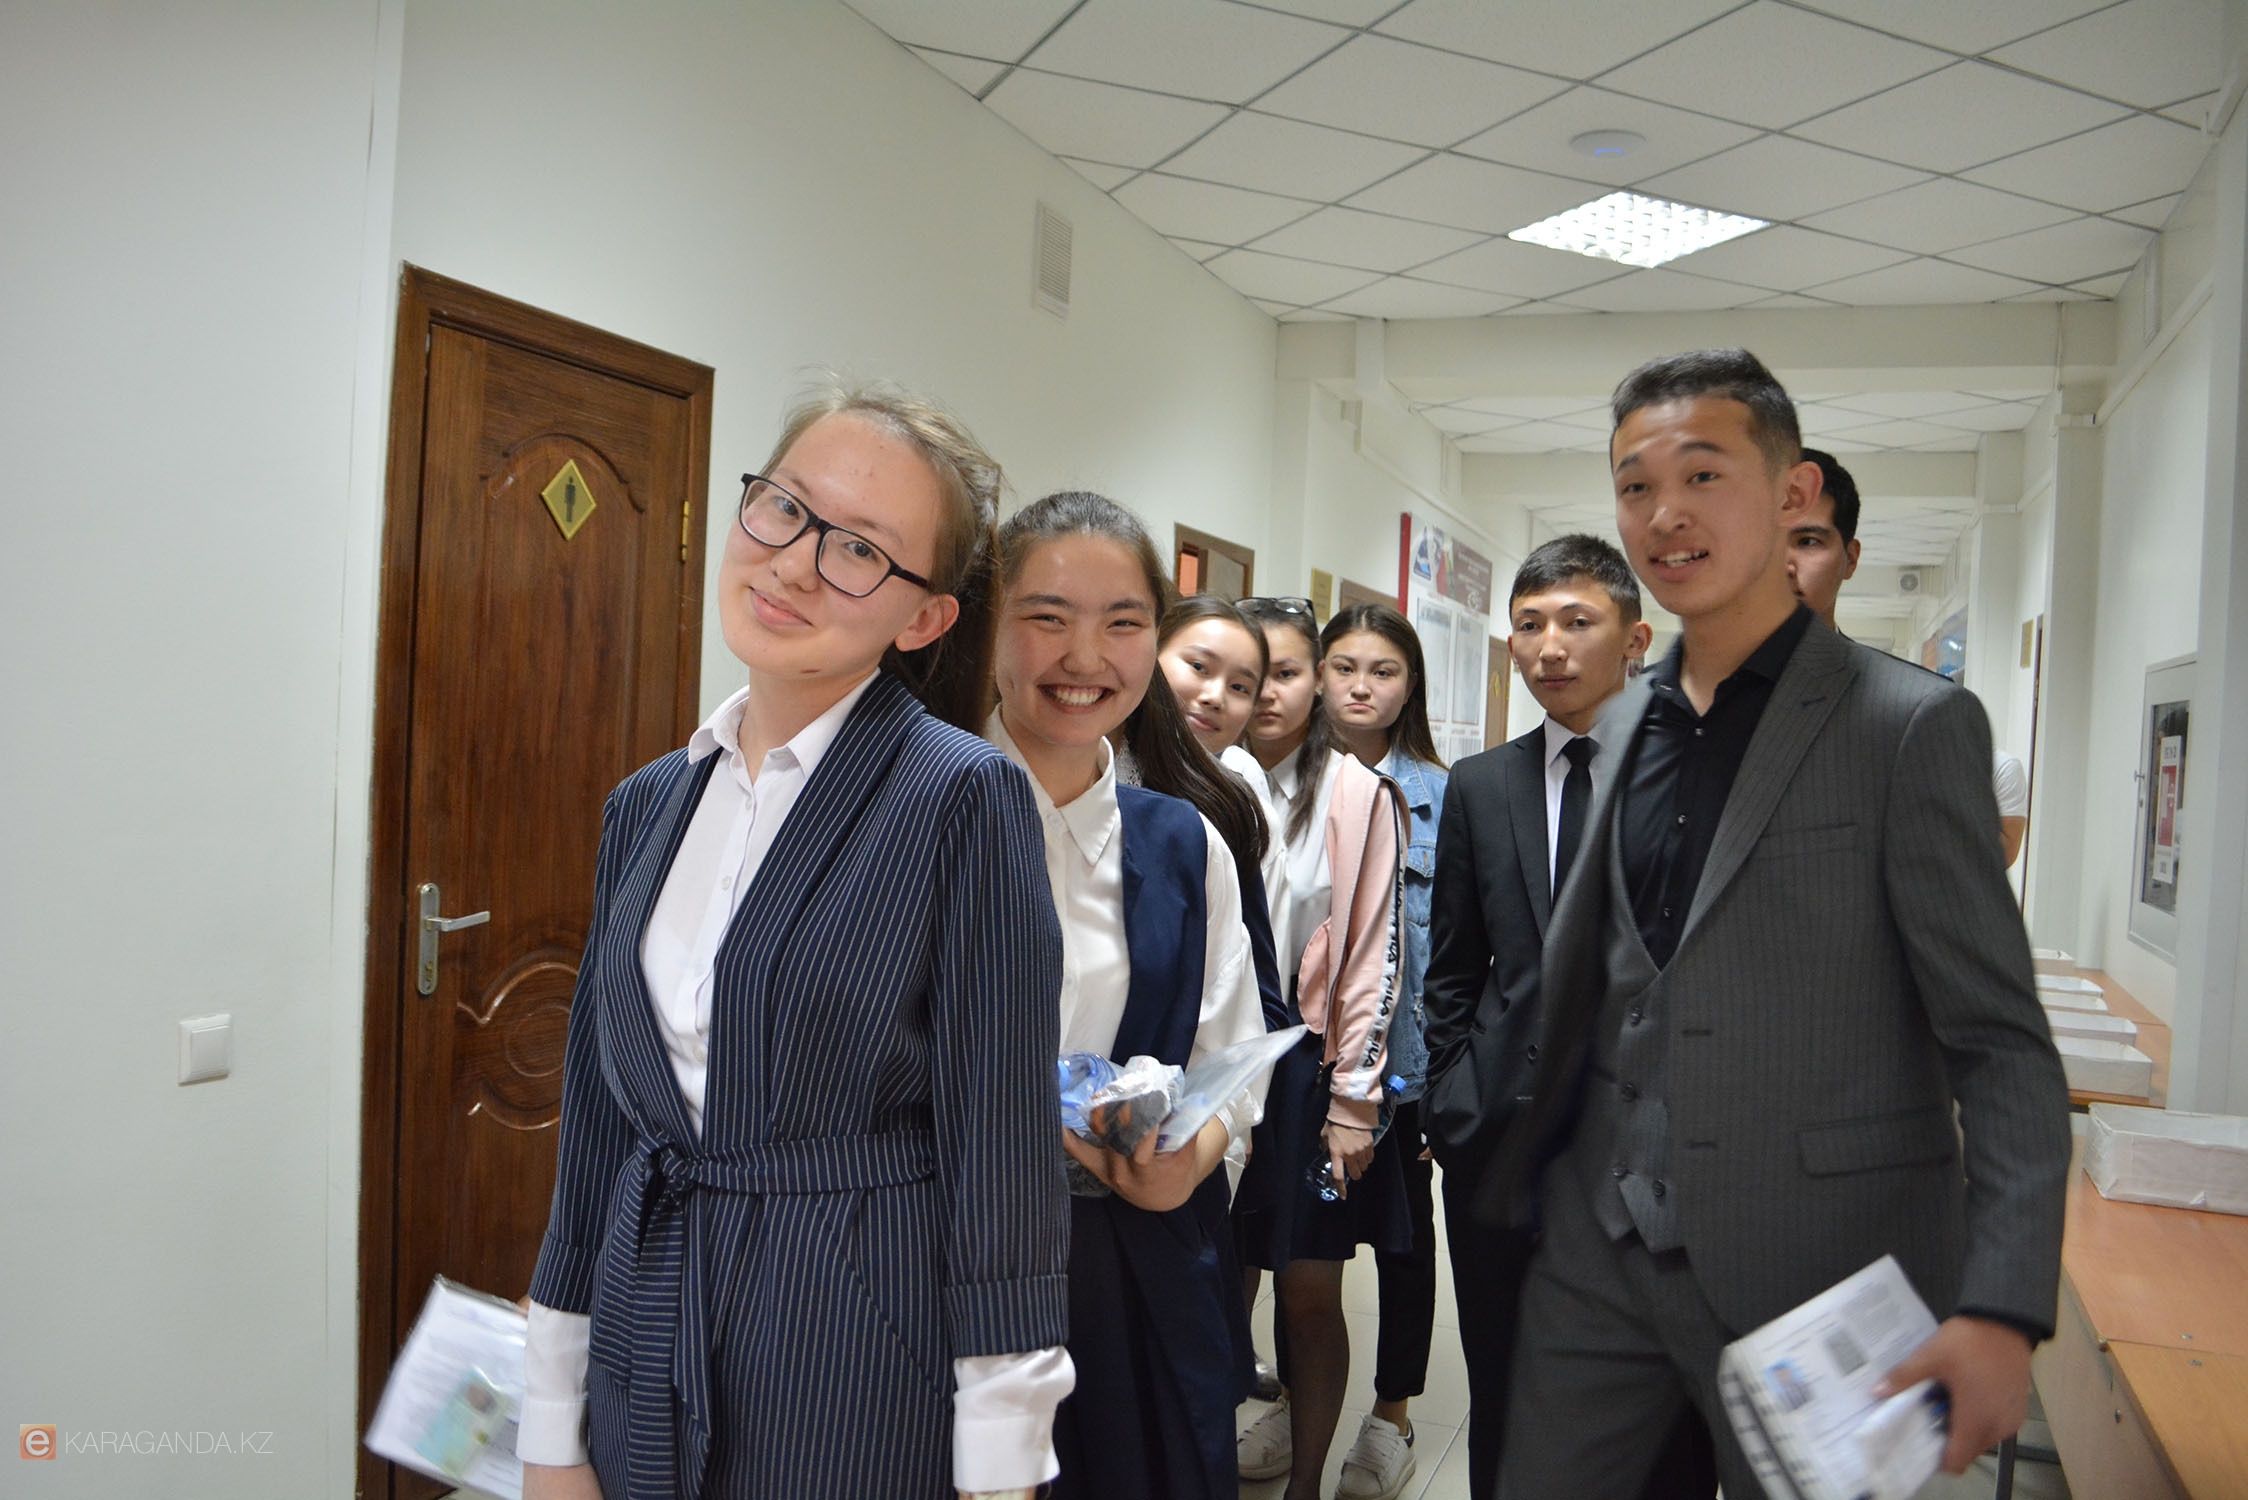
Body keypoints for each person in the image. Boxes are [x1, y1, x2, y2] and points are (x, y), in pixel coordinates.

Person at [1479, 349, 2073, 1499]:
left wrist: (2002, 1305)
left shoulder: (1907, 727)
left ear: (1794, 493)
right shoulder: (1623, 724)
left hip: (1821, 1261)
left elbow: (1997, 1041)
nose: (1664, 514)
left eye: (1701, 475)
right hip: (1599, 1251)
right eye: (1635, 485)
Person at [519, 385, 1071, 1500]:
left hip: (848, 1348)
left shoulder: (961, 799)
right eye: (784, 507)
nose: (795, 564)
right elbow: (598, 1132)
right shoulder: (649, 804)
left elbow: (1002, 1158)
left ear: (923, 620)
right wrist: (549, 1429)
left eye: (859, 548)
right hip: (642, 1325)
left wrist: (1001, 1470)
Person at [987, 491, 1273, 1500]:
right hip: (942, 1259)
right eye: (1047, 617)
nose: (1085, 657)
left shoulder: (1184, 843)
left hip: (1131, 1263)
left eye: (1122, 623)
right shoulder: (913, 812)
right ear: (986, 625)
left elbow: (1233, 1060)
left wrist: (1190, 1157)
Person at [1427, 534, 1723, 1500]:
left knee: (1663, 1414)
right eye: (1529, 624)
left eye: (1576, 621)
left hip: (1659, 1153)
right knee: (1507, 1386)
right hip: (1502, 1144)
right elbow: (1454, 966)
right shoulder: (1482, 785)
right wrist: (1451, 1100)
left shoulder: (1700, 780)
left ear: (1635, 638)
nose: (1549, 645)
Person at [1231, 596, 1410, 1500]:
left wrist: (1353, 1102)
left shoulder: (1356, 792)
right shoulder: (1191, 776)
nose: (1265, 692)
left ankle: (1304, 1486)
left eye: (1287, 672)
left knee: (1308, 1289)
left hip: (1309, 1070)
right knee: (1213, 1282)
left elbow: (1374, 954)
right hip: (1205, 1066)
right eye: (1248, 674)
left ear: (1317, 684)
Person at [1311, 602, 1449, 1500]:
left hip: (1403, 1070)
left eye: (1384, 670)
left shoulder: (1441, 795)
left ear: (1410, 686)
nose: (1361, 686)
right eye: (1345, 666)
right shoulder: (1288, 782)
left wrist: (1444, 1085)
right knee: (1305, 1248)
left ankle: (1391, 1414)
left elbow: (1460, 950)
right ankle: (1300, 1399)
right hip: (1308, 1065)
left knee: (1403, 1247)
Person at [1789, 448, 2032, 870]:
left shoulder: (1919, 714)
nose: (1781, 565)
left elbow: (1955, 870)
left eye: (1807, 541)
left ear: (1850, 558)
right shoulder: (1677, 706)